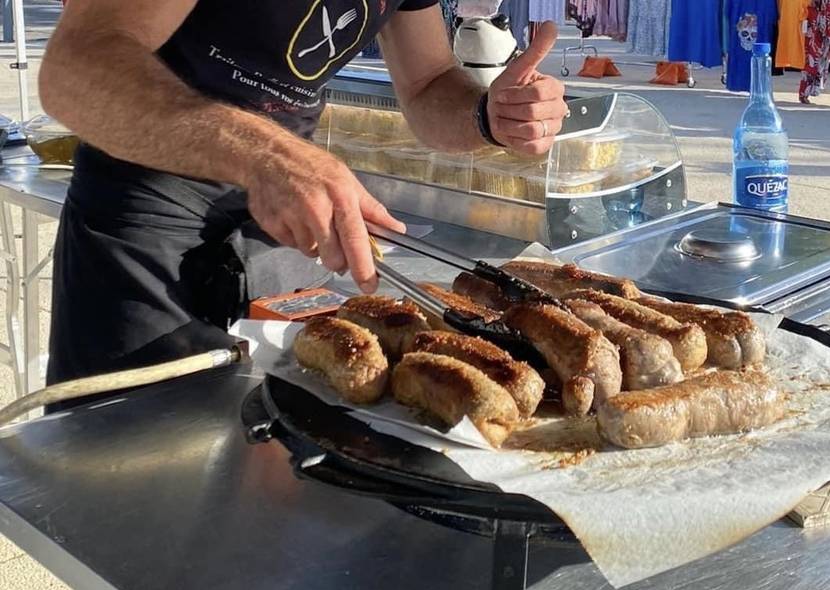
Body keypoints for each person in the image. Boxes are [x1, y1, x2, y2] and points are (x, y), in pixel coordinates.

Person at [38, 0, 567, 394]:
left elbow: (428, 84)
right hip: (146, 228)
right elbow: (76, 66)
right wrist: (262, 154)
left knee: (277, 457)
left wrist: (488, 116)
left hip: (282, 228)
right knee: (132, 482)